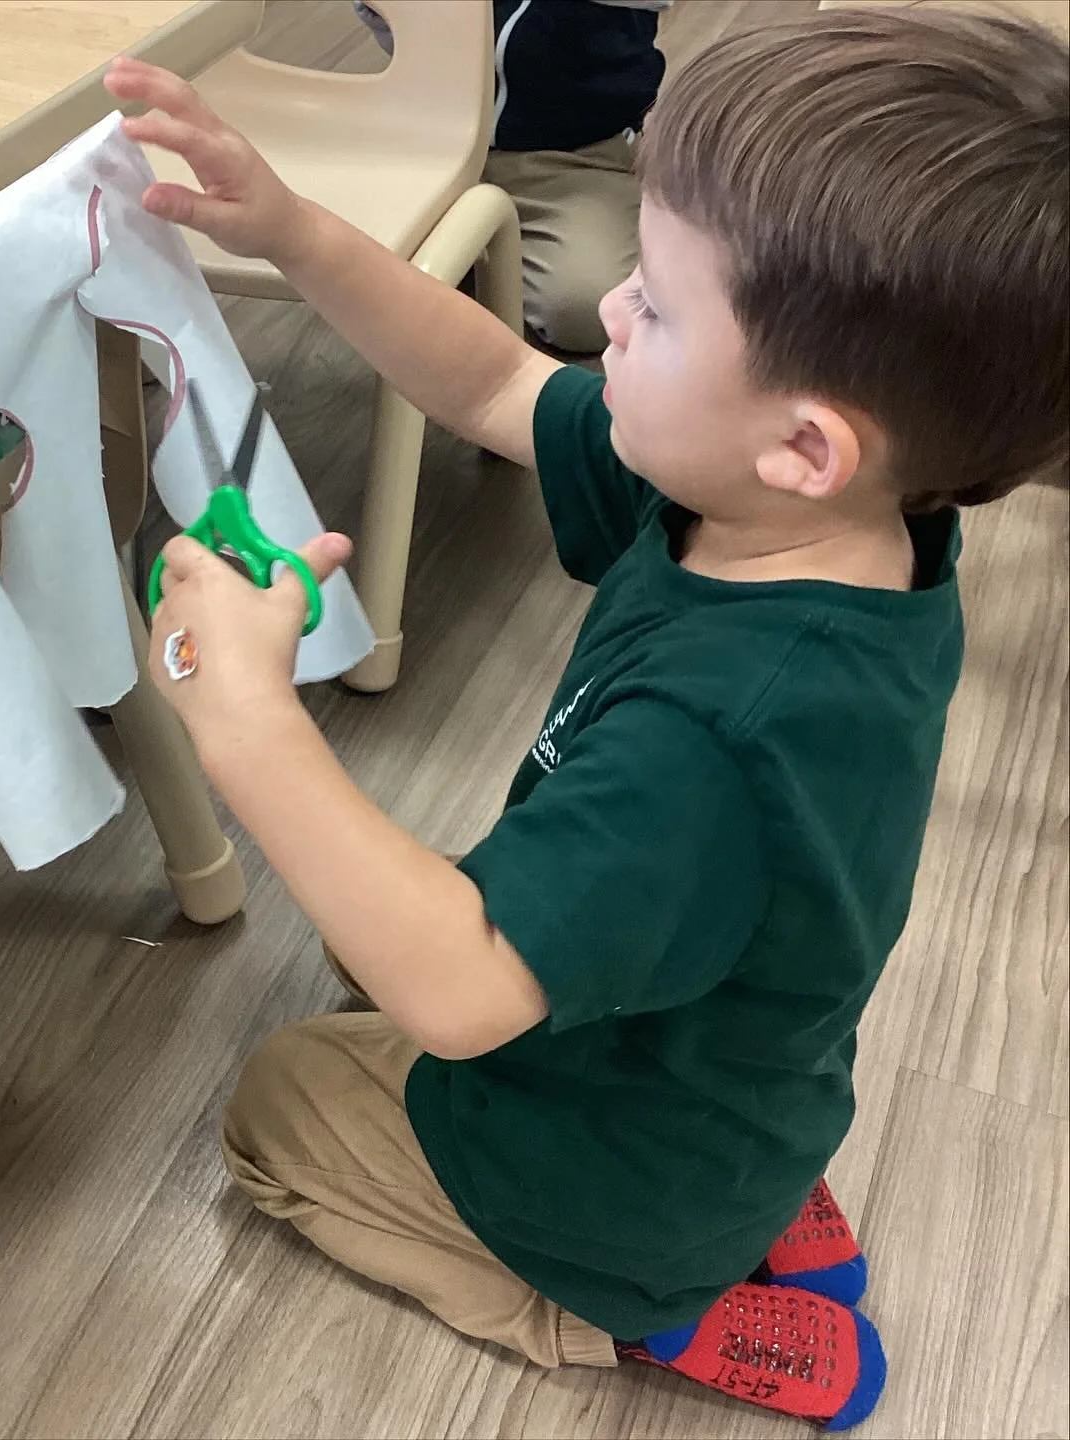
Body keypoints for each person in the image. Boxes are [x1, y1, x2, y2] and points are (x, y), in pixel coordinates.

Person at [103, 5, 1068, 1430]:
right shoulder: (797, 514)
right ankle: (741, 1205)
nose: (610, 307)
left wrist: (243, 718)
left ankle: (629, 1316)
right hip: (725, 1077)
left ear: (803, 442)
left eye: (660, 305)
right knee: (382, 929)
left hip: (612, 1177)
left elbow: (461, 992)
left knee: (281, 1101)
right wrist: (297, 230)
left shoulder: (717, 737)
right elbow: (495, 379)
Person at [355, 0, 671, 354]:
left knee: (586, 307)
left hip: (573, 155)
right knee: (337, 250)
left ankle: (483, 252)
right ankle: (478, 251)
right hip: (433, 136)